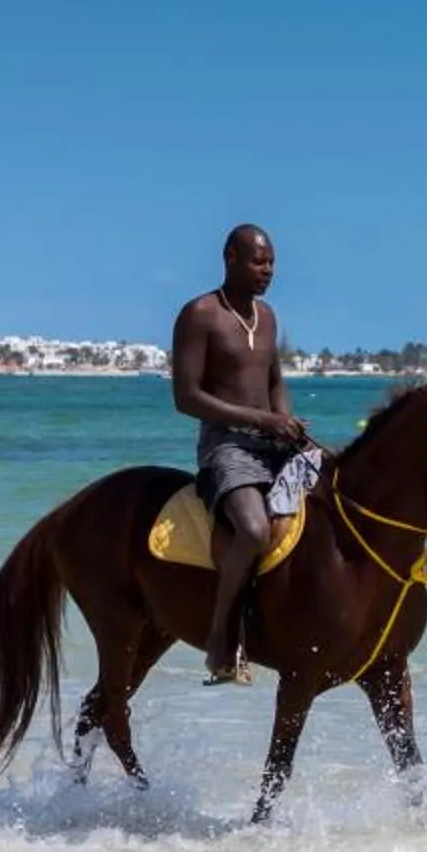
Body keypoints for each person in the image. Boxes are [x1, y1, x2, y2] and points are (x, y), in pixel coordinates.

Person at [170, 223, 309, 684]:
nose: (267, 270)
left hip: (272, 443)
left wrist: (286, 424)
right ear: (230, 257)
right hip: (225, 447)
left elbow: (274, 383)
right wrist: (259, 421)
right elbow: (186, 397)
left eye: (271, 262)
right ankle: (221, 639)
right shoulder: (200, 314)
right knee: (252, 528)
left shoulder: (267, 316)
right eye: (258, 260)